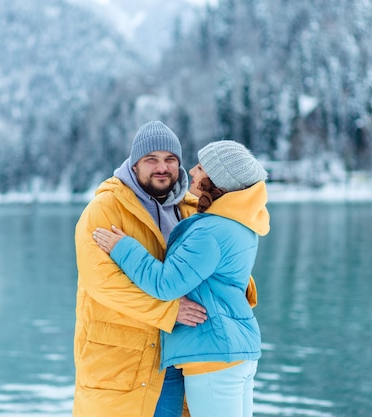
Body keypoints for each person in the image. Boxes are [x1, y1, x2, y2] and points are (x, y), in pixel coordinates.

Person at [92, 140, 270, 417]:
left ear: (215, 180)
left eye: (200, 168)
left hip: (213, 353)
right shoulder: (241, 225)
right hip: (237, 351)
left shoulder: (209, 232)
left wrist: (124, 248)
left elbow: (165, 285)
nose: (192, 171)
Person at [72, 121, 210, 417]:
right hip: (119, 364)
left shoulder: (191, 210)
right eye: (152, 159)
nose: (162, 168)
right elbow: (103, 284)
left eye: (170, 159)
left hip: (176, 362)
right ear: (134, 165)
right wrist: (169, 311)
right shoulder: (104, 209)